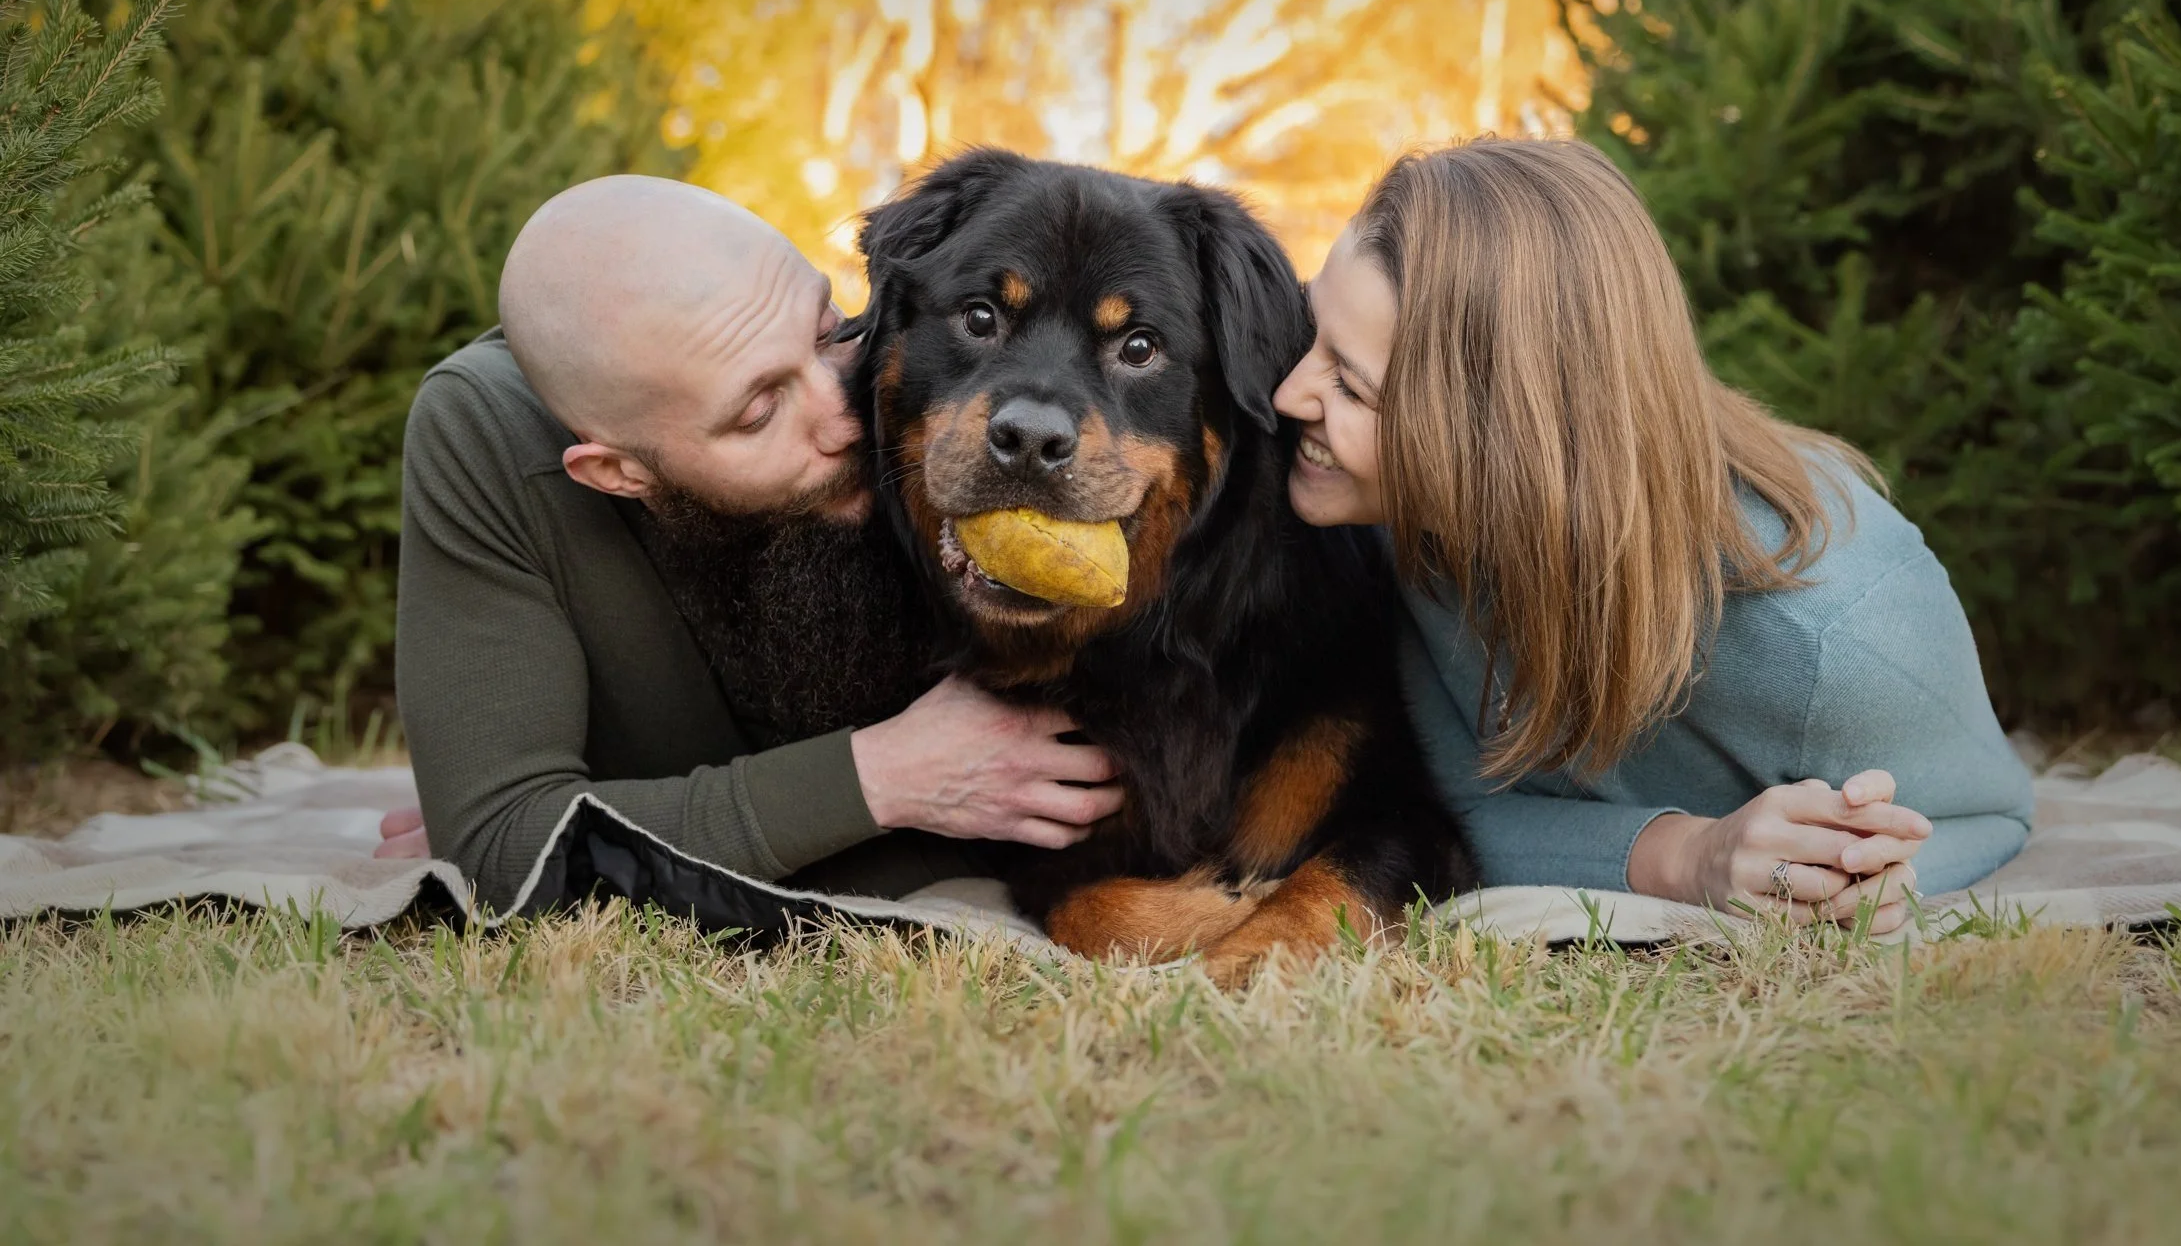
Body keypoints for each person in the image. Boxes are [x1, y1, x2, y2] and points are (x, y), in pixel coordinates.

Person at [1270, 137, 2032, 933]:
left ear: (1496, 438)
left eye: (1350, 385)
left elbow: (1989, 815)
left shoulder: (1841, 629)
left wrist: (1853, 874)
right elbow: (1432, 805)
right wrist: (1684, 856)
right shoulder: (1394, 522)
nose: (1288, 394)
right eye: (1309, 331)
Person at [378, 174, 1121, 904]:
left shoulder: (927, 383)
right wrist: (884, 780)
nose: (843, 414)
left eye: (828, 334)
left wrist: (627, 832)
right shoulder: (487, 436)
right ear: (615, 470)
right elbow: (508, 850)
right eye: (760, 412)